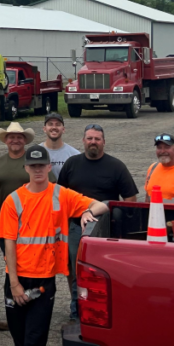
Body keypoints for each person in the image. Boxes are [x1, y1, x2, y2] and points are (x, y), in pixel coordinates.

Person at [0, 145, 109, 346]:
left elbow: (102, 206)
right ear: (26, 167)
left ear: (49, 167)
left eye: (42, 165)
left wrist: (88, 212)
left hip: (44, 281)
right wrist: (15, 284)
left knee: (34, 339)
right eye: (33, 166)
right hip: (17, 280)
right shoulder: (13, 200)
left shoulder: (61, 194)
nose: (38, 170)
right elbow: (8, 243)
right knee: (20, 340)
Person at [58, 124, 137, 321]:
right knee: (78, 271)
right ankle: (77, 312)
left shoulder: (116, 166)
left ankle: (105, 309)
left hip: (105, 229)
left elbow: (130, 199)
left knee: (104, 273)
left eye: (97, 139)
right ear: (83, 141)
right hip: (76, 227)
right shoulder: (71, 164)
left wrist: (122, 225)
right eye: (89, 138)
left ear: (104, 142)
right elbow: (59, 195)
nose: (93, 142)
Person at [39, 113, 78, 178]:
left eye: (58, 124)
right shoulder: (35, 152)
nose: (54, 127)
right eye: (50, 124)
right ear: (44, 129)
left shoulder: (74, 155)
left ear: (63, 129)